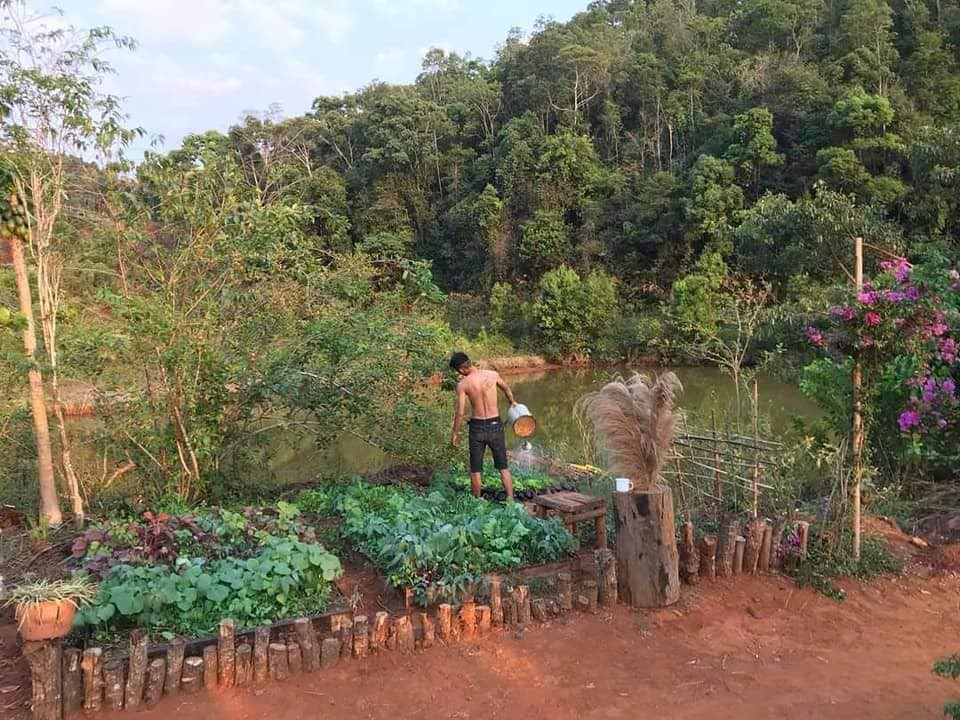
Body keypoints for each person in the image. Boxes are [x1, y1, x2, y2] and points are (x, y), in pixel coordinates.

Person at [449, 352, 517, 501]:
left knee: (475, 469)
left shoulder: (463, 384)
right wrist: (512, 402)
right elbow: (505, 388)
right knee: (503, 466)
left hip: (477, 428)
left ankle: (477, 501)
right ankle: (510, 499)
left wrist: (455, 432)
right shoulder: (492, 375)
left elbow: (460, 412)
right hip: (495, 425)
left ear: (461, 369)